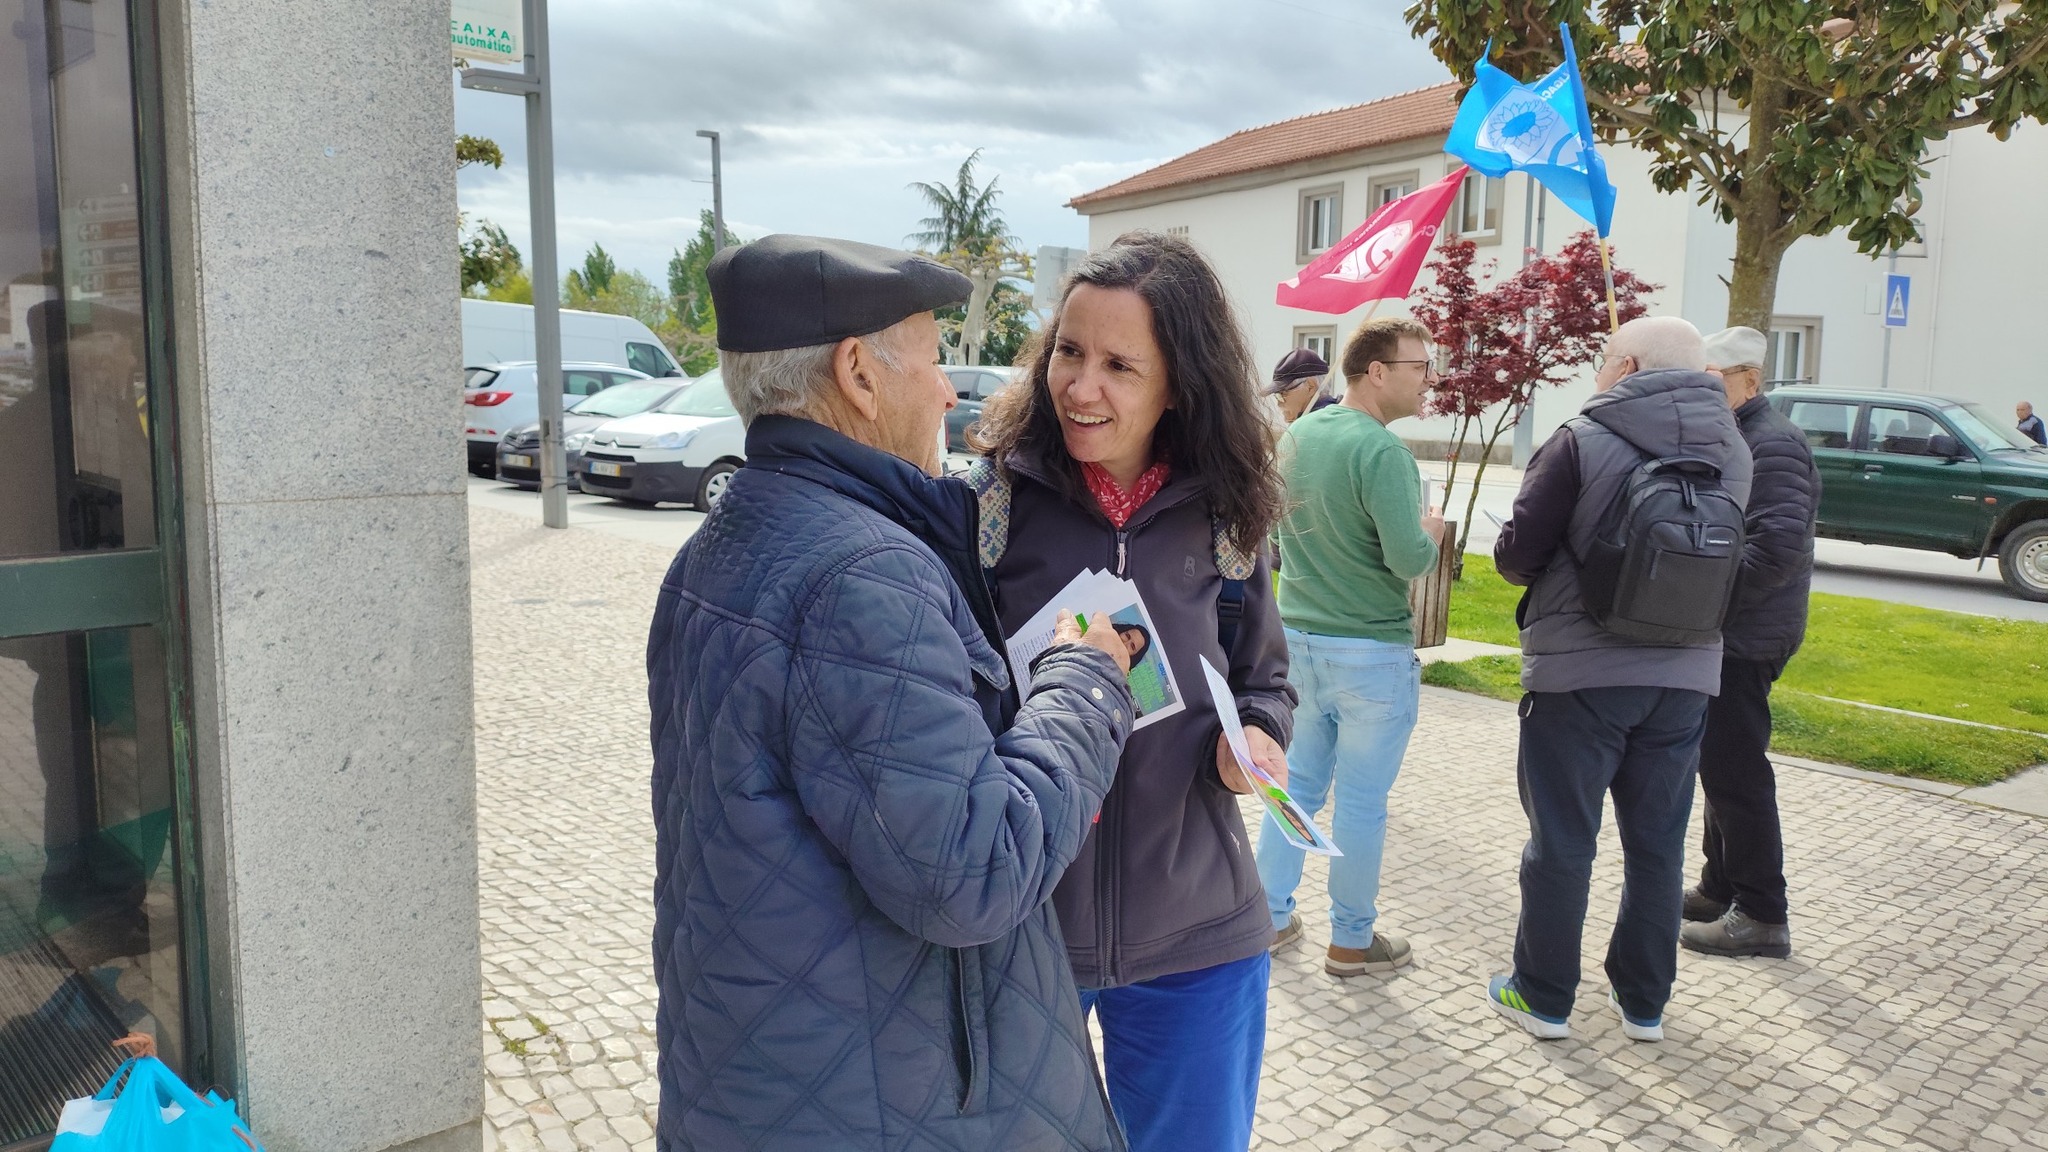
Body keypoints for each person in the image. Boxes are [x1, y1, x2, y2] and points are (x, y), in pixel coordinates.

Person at [647, 234, 1140, 1151]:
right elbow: (974, 874)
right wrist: (1087, 679)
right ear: (858, 376)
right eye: (934, 356)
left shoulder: (720, 544)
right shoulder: (861, 576)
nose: (952, 390)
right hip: (884, 1099)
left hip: (769, 1069)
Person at [967, 231, 1296, 1152]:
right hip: (1023, 937)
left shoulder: (1230, 514)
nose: (1080, 387)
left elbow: (1265, 681)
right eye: (1069, 352)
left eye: (1119, 364)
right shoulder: (990, 506)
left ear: (1178, 385)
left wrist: (1254, 747)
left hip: (1198, 939)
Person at [1487, 316, 1752, 1043]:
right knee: (1659, 846)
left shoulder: (1580, 439)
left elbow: (1518, 555)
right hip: (1687, 674)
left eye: (1604, 360)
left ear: (1627, 363)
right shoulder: (1732, 447)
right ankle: (1644, 1005)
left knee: (1563, 841)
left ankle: (1541, 997)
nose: (1598, 373)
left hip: (1581, 672)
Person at [1257, 317, 1444, 978]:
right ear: (1377, 372)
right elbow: (1407, 559)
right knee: (1362, 804)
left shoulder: (1299, 434)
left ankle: (1269, 918)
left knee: (1297, 786)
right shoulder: (1384, 452)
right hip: (1368, 653)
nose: (1430, 378)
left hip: (1299, 640)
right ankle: (1352, 941)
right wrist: (1430, 532)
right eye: (1419, 366)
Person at [1682, 327, 1819, 959]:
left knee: (1737, 771)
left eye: (1712, 379)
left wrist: (1705, 594)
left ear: (1749, 381)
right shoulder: (1739, 433)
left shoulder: (1775, 444)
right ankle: (1720, 886)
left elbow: (1778, 552)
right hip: (1730, 628)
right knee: (1717, 764)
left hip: (1746, 632)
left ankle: (1763, 913)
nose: (1702, 389)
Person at [1264, 347, 1333, 425]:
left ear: (1310, 387)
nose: (1279, 404)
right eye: (1277, 396)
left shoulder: (1315, 425)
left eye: (1283, 394)